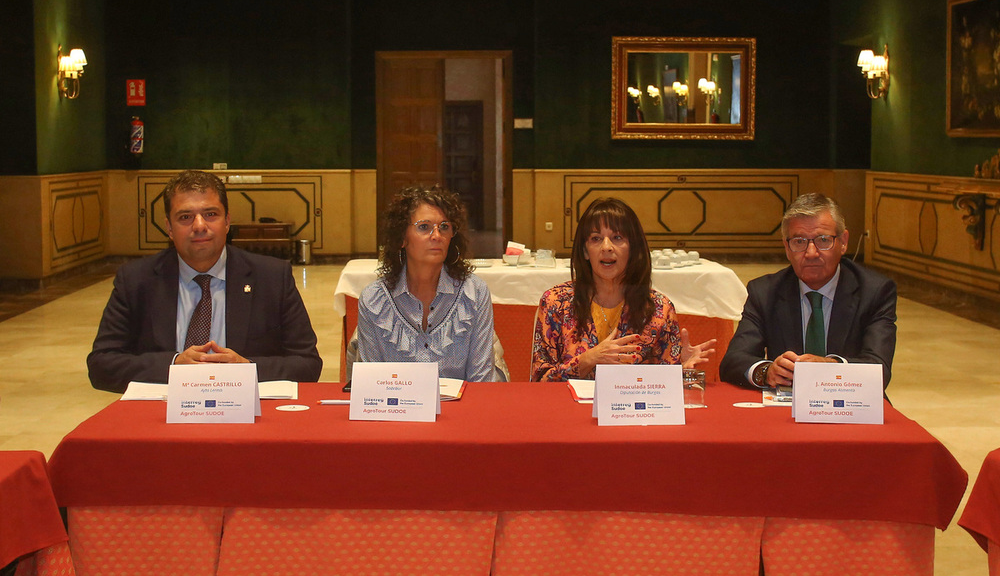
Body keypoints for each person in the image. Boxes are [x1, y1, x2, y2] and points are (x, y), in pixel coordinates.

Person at [88, 170, 323, 393]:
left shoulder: (271, 277)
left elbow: (308, 365)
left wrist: (246, 369)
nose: (199, 226)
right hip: (162, 419)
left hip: (249, 420)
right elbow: (101, 365)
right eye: (185, 217)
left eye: (211, 214)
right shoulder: (136, 280)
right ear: (169, 227)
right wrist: (173, 366)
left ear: (227, 221)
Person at [719, 192, 897, 390]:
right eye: (799, 242)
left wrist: (832, 368)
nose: (811, 253)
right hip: (785, 407)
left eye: (823, 240)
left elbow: (879, 369)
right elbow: (733, 361)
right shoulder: (764, 291)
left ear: (844, 241)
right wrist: (767, 371)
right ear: (786, 247)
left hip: (851, 405)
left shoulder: (874, 291)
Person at [530, 197, 714, 382]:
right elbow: (540, 381)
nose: (607, 247)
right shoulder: (556, 302)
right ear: (585, 251)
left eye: (617, 238)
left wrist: (680, 371)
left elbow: (663, 390)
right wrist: (587, 360)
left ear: (633, 248)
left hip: (633, 410)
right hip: (568, 408)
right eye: (596, 239)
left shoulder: (659, 309)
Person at [355, 185, 503, 382]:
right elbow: (371, 384)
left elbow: (481, 382)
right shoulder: (374, 299)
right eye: (424, 227)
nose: (436, 236)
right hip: (396, 410)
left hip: (464, 409)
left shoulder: (474, 292)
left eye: (444, 227)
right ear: (402, 238)